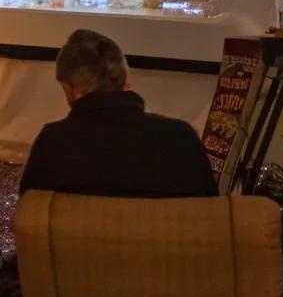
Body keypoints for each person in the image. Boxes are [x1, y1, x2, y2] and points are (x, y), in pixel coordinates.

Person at [20, 28, 218, 198]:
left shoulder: (53, 143)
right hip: (164, 242)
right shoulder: (180, 138)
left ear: (68, 89)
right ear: (124, 80)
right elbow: (208, 214)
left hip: (81, 243)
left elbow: (30, 215)